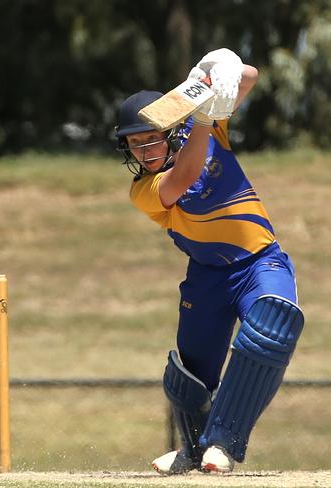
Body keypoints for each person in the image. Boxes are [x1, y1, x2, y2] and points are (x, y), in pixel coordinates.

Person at [113, 48, 304, 475]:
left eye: (149, 138)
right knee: (190, 373)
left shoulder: (209, 127)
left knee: (274, 323)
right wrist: (203, 116)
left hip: (260, 262)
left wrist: (210, 74)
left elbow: (250, 77)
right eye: (134, 144)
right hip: (208, 277)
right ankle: (194, 450)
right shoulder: (144, 189)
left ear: (171, 130)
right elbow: (182, 178)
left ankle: (223, 442)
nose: (143, 152)